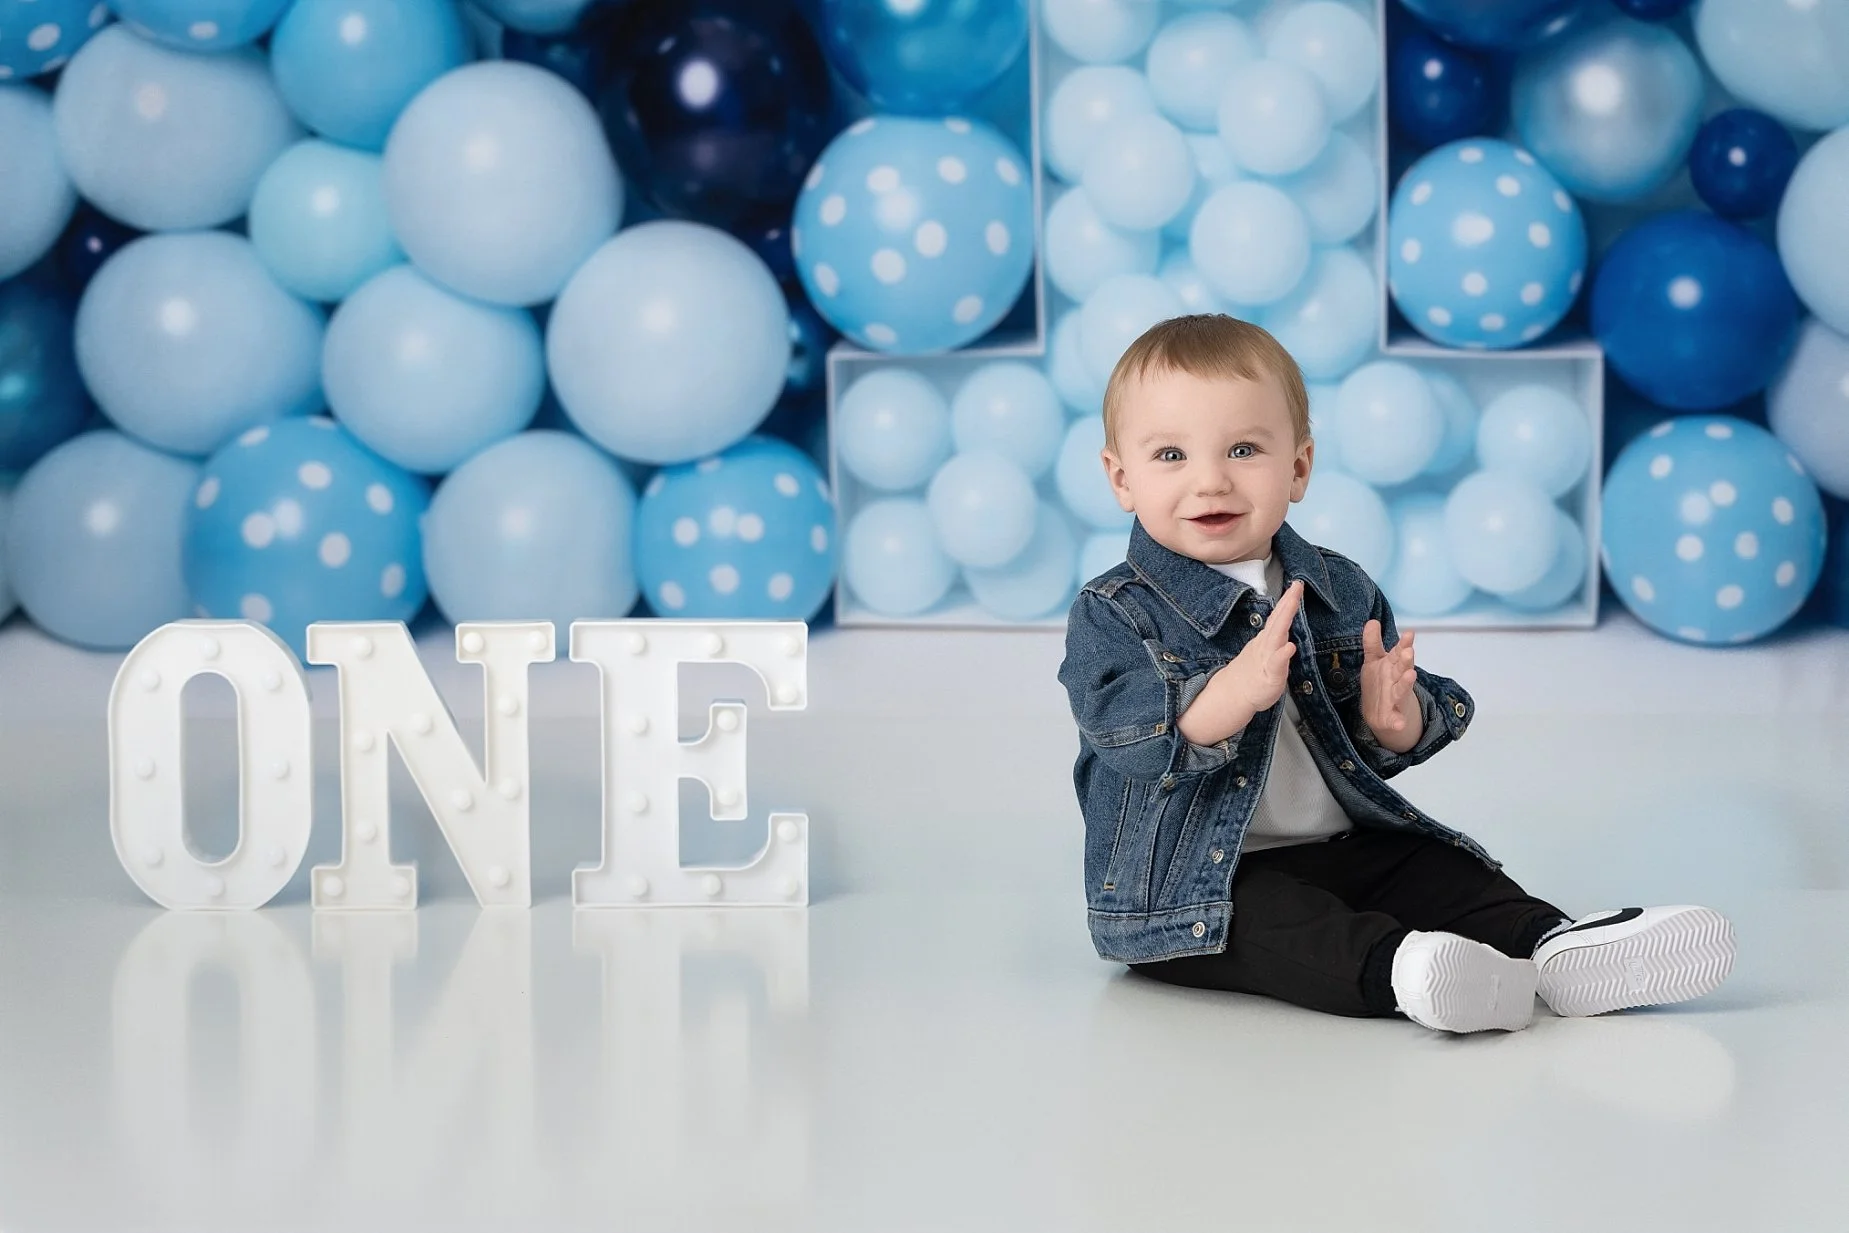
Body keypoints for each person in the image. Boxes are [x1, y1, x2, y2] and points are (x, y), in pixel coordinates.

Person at [1056, 315, 1736, 1033]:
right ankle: (1410, 971)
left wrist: (1393, 720)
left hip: (1340, 847)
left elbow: (1356, 742)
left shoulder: (1336, 586)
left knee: (1432, 869)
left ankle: (1552, 943)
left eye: (1242, 448)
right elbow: (1123, 737)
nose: (1211, 479)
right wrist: (1226, 696)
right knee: (1288, 924)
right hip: (1193, 890)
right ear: (1120, 477)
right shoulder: (1115, 611)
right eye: (1170, 454)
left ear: (1297, 467)